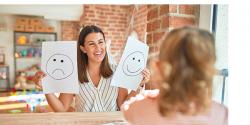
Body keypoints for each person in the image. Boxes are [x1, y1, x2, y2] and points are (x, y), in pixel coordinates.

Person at [122, 26, 228, 125]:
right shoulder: (222, 115)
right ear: (209, 71)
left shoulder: (141, 108)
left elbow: (125, 108)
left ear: (159, 67)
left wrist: (145, 96)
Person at [33, 25, 150, 112]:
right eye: (91, 44)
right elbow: (62, 108)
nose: (98, 48)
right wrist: (46, 88)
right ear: (83, 48)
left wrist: (138, 85)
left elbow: (123, 105)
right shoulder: (74, 74)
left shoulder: (117, 71)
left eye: (100, 42)